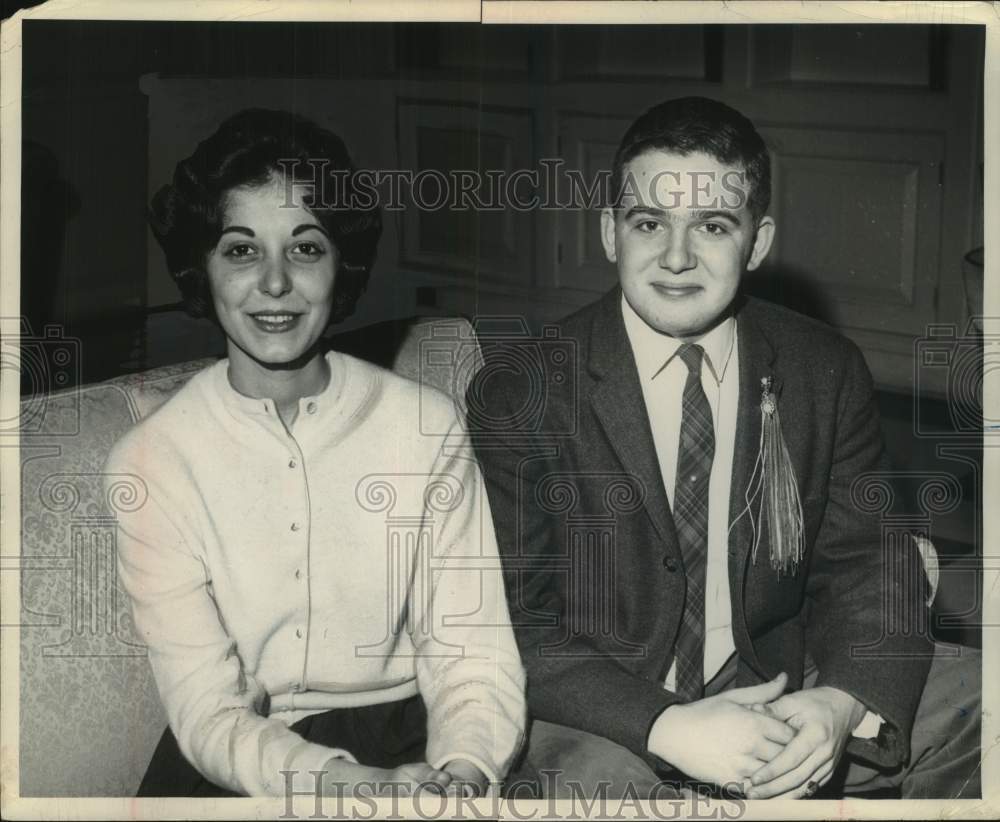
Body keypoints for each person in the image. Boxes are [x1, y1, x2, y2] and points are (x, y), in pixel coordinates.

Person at [468, 96, 980, 800]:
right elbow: (508, 620)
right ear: (610, 234)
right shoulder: (521, 387)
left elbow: (870, 564)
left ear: (758, 242)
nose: (676, 259)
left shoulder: (822, 368)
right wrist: (667, 726)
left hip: (779, 679)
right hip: (608, 711)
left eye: (712, 225)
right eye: (649, 223)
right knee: (605, 794)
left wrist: (839, 704)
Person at [105, 108, 526, 799]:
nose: (274, 285)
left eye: (305, 248)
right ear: (201, 266)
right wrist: (349, 784)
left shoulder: (428, 424)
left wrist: (463, 770)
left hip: (419, 740)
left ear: (341, 264)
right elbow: (207, 710)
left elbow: (472, 652)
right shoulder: (150, 462)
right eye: (241, 250)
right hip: (242, 760)